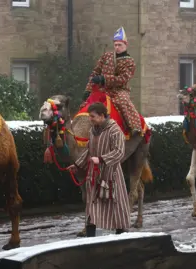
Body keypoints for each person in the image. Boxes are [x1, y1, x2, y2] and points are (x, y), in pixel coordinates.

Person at [68, 102, 131, 236]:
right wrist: (78, 165)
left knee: (116, 205)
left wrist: (101, 159)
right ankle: (90, 236)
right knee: (91, 205)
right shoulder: (92, 131)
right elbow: (88, 151)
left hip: (111, 174)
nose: (90, 119)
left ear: (102, 116)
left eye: (92, 116)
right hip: (94, 175)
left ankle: (121, 233)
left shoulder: (115, 130)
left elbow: (119, 152)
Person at [83, 26, 142, 137]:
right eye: (115, 45)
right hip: (102, 89)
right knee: (87, 103)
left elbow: (123, 79)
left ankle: (134, 126)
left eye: (120, 45)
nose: (117, 47)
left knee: (123, 101)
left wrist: (104, 79)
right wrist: (88, 89)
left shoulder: (130, 62)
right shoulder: (106, 56)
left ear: (126, 45)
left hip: (119, 90)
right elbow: (95, 73)